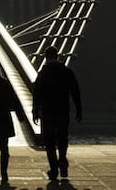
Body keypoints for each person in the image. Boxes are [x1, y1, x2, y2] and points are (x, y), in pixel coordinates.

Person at [33, 46, 82, 180]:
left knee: (49, 142)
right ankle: (63, 160)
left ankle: (54, 169)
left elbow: (36, 93)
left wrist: (35, 110)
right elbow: (75, 91)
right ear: (58, 56)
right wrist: (79, 108)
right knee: (62, 138)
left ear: (46, 57)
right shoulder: (67, 71)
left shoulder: (43, 73)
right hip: (63, 110)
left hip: (48, 112)